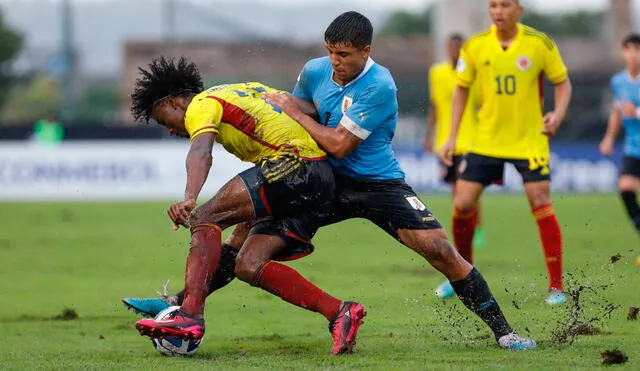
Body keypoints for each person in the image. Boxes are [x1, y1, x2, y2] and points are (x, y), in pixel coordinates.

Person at [126, 11, 536, 351]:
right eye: (331, 52)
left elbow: (338, 143)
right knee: (243, 254)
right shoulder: (315, 70)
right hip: (316, 182)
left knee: (440, 250)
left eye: (344, 54)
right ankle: (179, 306)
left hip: (375, 183)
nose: (335, 61)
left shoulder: (379, 85)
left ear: (366, 52)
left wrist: (295, 115)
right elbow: (294, 112)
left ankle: (505, 332)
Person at [129, 56, 367, 355]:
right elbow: (308, 108)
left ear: (176, 101)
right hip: (317, 179)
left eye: (165, 120)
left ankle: (189, 316)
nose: (171, 131)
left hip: (294, 166)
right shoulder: (244, 88)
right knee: (246, 262)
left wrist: (190, 197)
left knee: (205, 217)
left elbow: (201, 151)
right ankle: (340, 312)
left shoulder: (202, 103)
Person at [438, 0, 572, 305]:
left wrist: (558, 114)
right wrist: (451, 136)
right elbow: (461, 89)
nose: (498, 11)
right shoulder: (475, 46)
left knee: (540, 200)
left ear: (519, 10)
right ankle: (462, 276)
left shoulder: (539, 43)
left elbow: (562, 83)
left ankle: (556, 287)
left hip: (529, 140)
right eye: (494, 5)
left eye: (506, 5)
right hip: (486, 141)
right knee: (462, 203)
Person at [426, 33, 484, 299]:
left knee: (466, 195)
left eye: (460, 48)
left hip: (471, 142)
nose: (455, 51)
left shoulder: (474, 73)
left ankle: (472, 239)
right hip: (445, 142)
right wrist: (430, 135)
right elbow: (435, 106)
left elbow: (482, 106)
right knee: (456, 195)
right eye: (452, 47)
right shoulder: (436, 73)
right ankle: (461, 268)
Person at [600, 33, 640, 246]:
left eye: (637, 50)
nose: (633, 55)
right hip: (633, 148)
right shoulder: (618, 81)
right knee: (626, 191)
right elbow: (617, 112)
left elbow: (631, 111)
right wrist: (608, 138)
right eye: (629, 49)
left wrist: (637, 112)